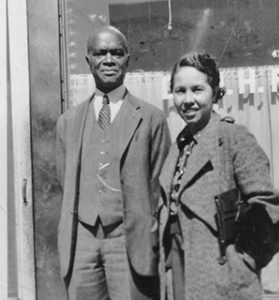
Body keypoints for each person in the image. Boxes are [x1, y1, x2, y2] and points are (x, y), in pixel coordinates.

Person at [158, 52, 279, 300]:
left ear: (215, 92)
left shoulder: (232, 138)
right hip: (179, 269)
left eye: (197, 90)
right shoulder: (179, 146)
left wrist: (244, 261)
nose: (188, 100)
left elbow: (271, 208)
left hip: (220, 277)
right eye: (180, 91)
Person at [56, 25, 171, 300]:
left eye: (116, 53)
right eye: (100, 53)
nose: (108, 59)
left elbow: (160, 185)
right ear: (88, 61)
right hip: (81, 241)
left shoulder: (152, 119)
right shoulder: (68, 123)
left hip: (130, 241)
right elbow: (65, 181)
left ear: (127, 59)